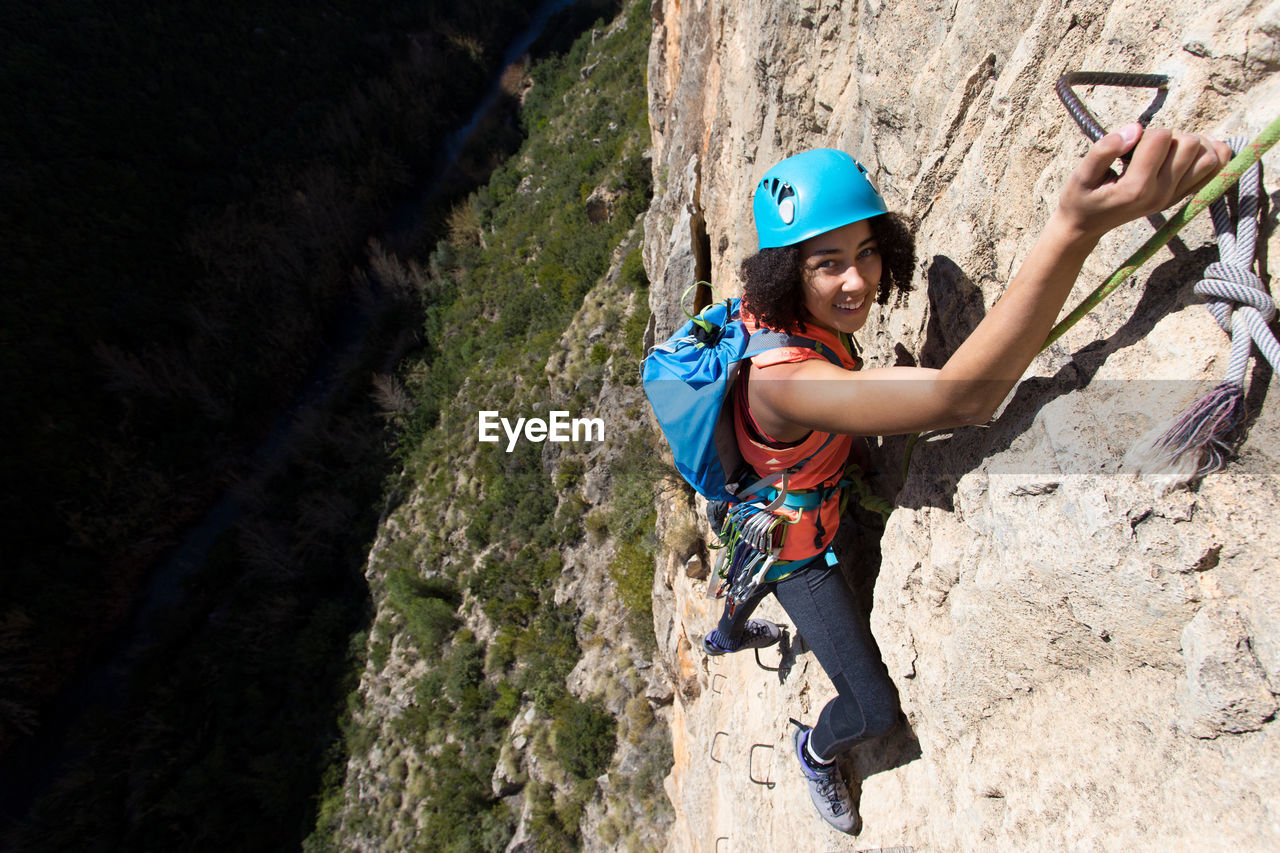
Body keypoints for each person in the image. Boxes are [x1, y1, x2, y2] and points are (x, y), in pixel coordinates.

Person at [702, 126, 1230, 834]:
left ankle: (730, 628)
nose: (856, 280)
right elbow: (966, 398)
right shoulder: (785, 380)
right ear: (787, 273)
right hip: (797, 548)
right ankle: (814, 747)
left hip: (780, 499)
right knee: (873, 709)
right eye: (828, 263)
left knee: (746, 573)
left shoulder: (786, 319)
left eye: (866, 252)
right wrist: (1077, 226)